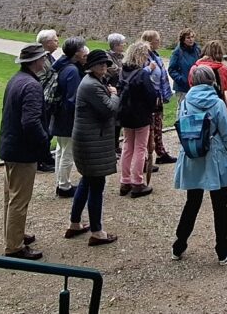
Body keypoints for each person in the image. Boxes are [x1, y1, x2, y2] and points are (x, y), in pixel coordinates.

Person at [172, 65, 227, 265]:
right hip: (215, 156)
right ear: (212, 81)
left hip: (193, 155)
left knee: (192, 202)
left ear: (193, 81)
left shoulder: (185, 102)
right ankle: (222, 249)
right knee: (220, 205)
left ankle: (179, 245)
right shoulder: (217, 104)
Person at [0, 44, 51, 259]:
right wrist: (43, 141)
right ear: (36, 62)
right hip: (21, 150)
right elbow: (30, 122)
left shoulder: (17, 80)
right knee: (19, 198)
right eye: (43, 59)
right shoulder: (31, 85)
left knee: (11, 196)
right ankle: (15, 246)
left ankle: (14, 235)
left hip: (10, 146)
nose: (45, 62)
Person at [65, 49, 120, 245]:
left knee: (87, 182)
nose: (104, 67)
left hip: (88, 140)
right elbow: (109, 109)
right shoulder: (92, 85)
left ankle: (75, 223)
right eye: (100, 64)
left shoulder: (93, 82)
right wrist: (114, 94)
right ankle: (97, 232)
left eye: (105, 64)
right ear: (91, 66)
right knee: (96, 185)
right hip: (91, 142)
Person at [117, 41, 159, 198]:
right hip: (141, 115)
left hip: (126, 114)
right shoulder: (142, 74)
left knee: (128, 146)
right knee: (140, 148)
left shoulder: (123, 72)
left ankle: (125, 180)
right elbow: (151, 95)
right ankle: (137, 182)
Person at [51, 37, 89, 197]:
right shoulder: (72, 71)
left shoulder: (63, 65)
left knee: (61, 150)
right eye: (83, 49)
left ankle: (61, 182)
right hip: (68, 118)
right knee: (68, 152)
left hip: (59, 115)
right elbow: (73, 99)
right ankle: (64, 186)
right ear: (77, 53)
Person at [141, 30, 177, 165]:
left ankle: (161, 153)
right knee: (148, 129)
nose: (159, 42)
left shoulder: (155, 56)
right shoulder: (143, 58)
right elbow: (141, 77)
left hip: (157, 97)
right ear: (149, 42)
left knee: (157, 125)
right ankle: (144, 158)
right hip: (149, 98)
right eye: (157, 40)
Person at [35, 29, 60, 173]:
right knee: (43, 130)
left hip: (47, 99)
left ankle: (45, 156)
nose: (57, 43)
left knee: (48, 130)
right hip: (43, 99)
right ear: (48, 42)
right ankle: (41, 160)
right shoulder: (42, 59)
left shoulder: (47, 58)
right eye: (55, 40)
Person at [169, 28, 202, 107]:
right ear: (183, 40)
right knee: (182, 109)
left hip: (196, 85)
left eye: (192, 37)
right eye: (188, 38)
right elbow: (171, 69)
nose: (191, 40)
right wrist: (182, 80)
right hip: (183, 88)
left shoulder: (197, 50)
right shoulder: (177, 52)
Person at [106, 33, 127, 155]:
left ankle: (115, 145)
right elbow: (114, 71)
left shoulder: (121, 57)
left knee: (118, 121)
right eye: (122, 44)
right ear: (116, 45)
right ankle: (111, 146)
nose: (124, 45)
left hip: (120, 90)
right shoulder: (108, 57)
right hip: (111, 90)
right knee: (113, 120)